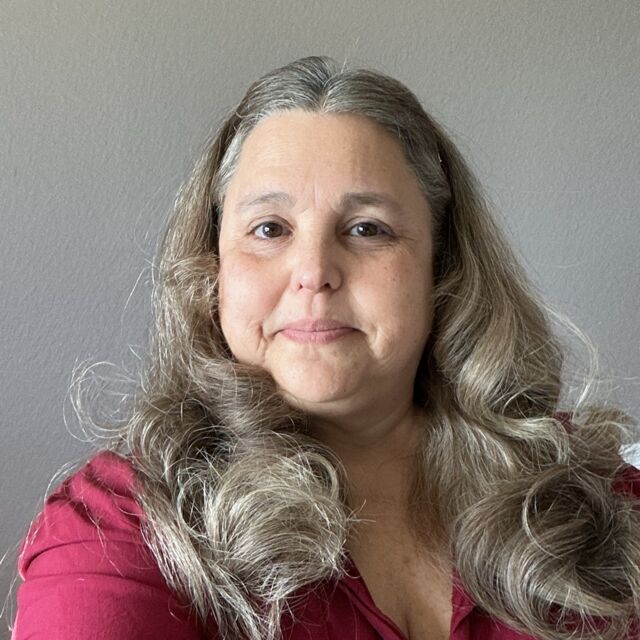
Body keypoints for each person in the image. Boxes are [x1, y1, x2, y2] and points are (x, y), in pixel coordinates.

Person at [9, 55, 640, 640]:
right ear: (213, 267)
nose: (314, 272)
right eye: (269, 228)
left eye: (367, 228)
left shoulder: (592, 499)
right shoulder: (117, 532)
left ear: (441, 265)